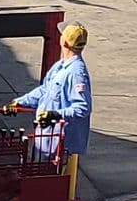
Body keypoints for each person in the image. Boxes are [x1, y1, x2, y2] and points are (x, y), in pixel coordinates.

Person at [7, 23, 92, 160]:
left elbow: (83, 107)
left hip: (60, 148)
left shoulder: (76, 73)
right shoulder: (61, 66)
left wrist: (56, 114)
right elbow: (45, 90)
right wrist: (19, 103)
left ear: (63, 41)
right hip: (45, 140)